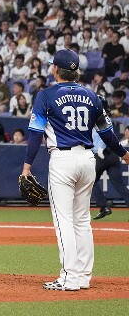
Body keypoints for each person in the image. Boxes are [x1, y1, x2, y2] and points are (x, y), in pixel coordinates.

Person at [22, 49, 129, 291]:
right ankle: (83, 277)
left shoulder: (46, 95)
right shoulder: (92, 96)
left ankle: (69, 278)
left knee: (64, 220)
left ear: (56, 70)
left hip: (63, 160)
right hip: (87, 160)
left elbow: (36, 134)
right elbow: (107, 134)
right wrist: (125, 155)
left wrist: (27, 165)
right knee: (82, 221)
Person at [90, 97, 129, 220]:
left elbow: (103, 135)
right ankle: (104, 207)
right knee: (119, 185)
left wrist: (100, 148)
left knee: (90, 182)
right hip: (112, 154)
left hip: (101, 155)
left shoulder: (96, 117)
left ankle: (103, 207)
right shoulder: (107, 117)